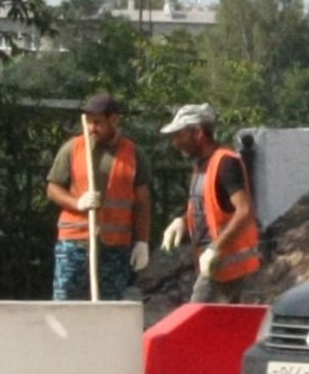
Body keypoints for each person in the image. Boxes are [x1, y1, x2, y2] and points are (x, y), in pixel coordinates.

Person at [44, 91, 149, 302]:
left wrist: (142, 241)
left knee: (109, 306)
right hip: (74, 243)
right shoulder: (72, 149)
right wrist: (77, 203)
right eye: (88, 122)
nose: (91, 128)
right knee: (65, 303)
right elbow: (53, 189)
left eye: (97, 123)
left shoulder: (133, 153)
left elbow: (142, 202)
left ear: (114, 119)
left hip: (115, 246)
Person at [160, 103, 264, 302]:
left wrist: (215, 248)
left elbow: (244, 210)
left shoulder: (225, 163)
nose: (175, 142)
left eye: (180, 135)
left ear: (198, 133)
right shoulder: (201, 165)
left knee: (196, 321)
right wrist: (182, 221)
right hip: (214, 266)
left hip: (230, 267)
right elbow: (210, 207)